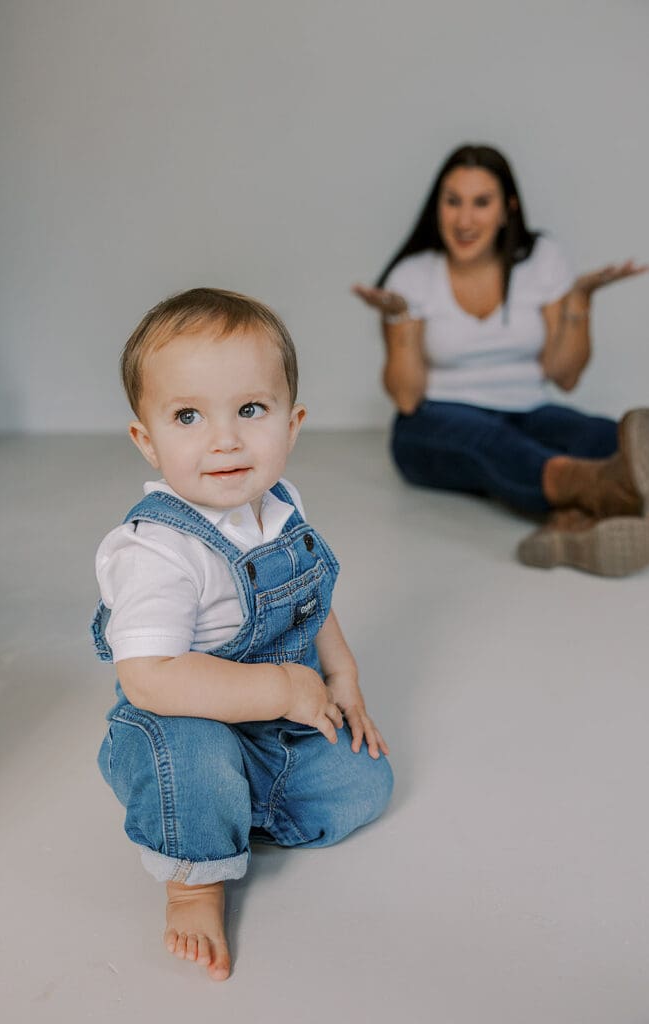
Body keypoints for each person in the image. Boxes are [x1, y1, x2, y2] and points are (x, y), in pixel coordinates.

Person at [91, 287, 393, 981]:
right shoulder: (157, 550)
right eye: (188, 415)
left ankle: (227, 808)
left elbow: (309, 603)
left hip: (266, 721)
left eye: (250, 410)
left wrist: (340, 678)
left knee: (364, 781)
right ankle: (194, 878)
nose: (224, 438)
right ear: (147, 438)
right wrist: (282, 685)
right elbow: (149, 676)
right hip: (179, 720)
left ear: (292, 423)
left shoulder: (280, 508)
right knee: (194, 756)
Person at [353, 143, 649, 576]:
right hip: (432, 423)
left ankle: (570, 525)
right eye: (452, 201)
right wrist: (399, 319)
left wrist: (579, 301)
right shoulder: (412, 276)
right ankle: (609, 495)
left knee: (601, 435)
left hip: (527, 408)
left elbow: (563, 376)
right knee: (493, 443)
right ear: (438, 207)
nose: (465, 219)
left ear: (507, 208)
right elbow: (406, 397)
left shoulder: (541, 260)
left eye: (481, 202)